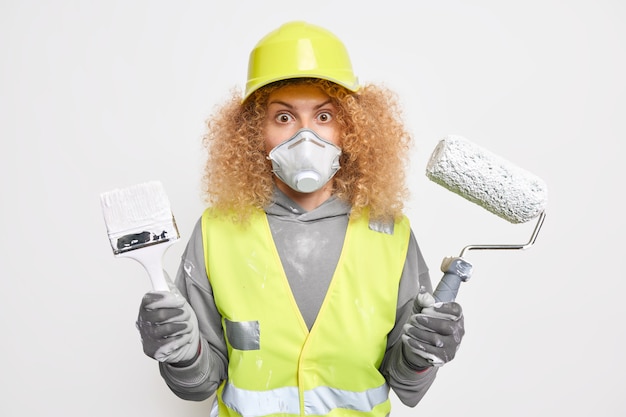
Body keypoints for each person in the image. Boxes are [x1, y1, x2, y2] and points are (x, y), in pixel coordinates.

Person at [136, 21, 465, 416]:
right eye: (284, 118)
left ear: (351, 128)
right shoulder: (216, 231)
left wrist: (422, 353)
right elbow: (199, 384)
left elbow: (405, 382)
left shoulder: (390, 234)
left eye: (324, 117)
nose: (306, 137)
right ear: (254, 131)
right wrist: (182, 353)